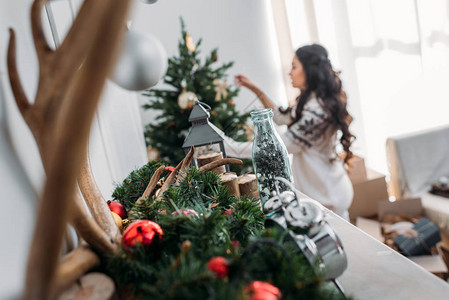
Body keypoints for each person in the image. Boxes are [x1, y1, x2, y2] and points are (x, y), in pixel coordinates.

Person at [223, 44, 355, 220]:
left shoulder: (318, 112)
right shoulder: (312, 103)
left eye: (294, 66)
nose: (289, 72)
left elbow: (277, 148)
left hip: (328, 197)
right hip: (324, 192)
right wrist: (255, 88)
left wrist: (226, 146)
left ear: (309, 70)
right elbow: (279, 117)